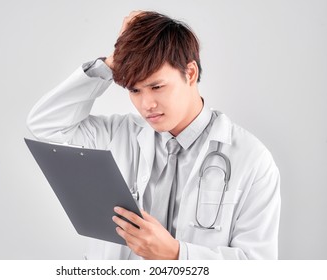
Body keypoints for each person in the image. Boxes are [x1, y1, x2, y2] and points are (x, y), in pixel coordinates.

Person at [26, 11, 281, 260]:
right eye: (135, 90)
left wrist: (177, 255)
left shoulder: (252, 159)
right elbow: (46, 124)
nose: (146, 104)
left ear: (190, 73)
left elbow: (257, 265)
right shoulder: (119, 135)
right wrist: (114, 62)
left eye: (157, 86)